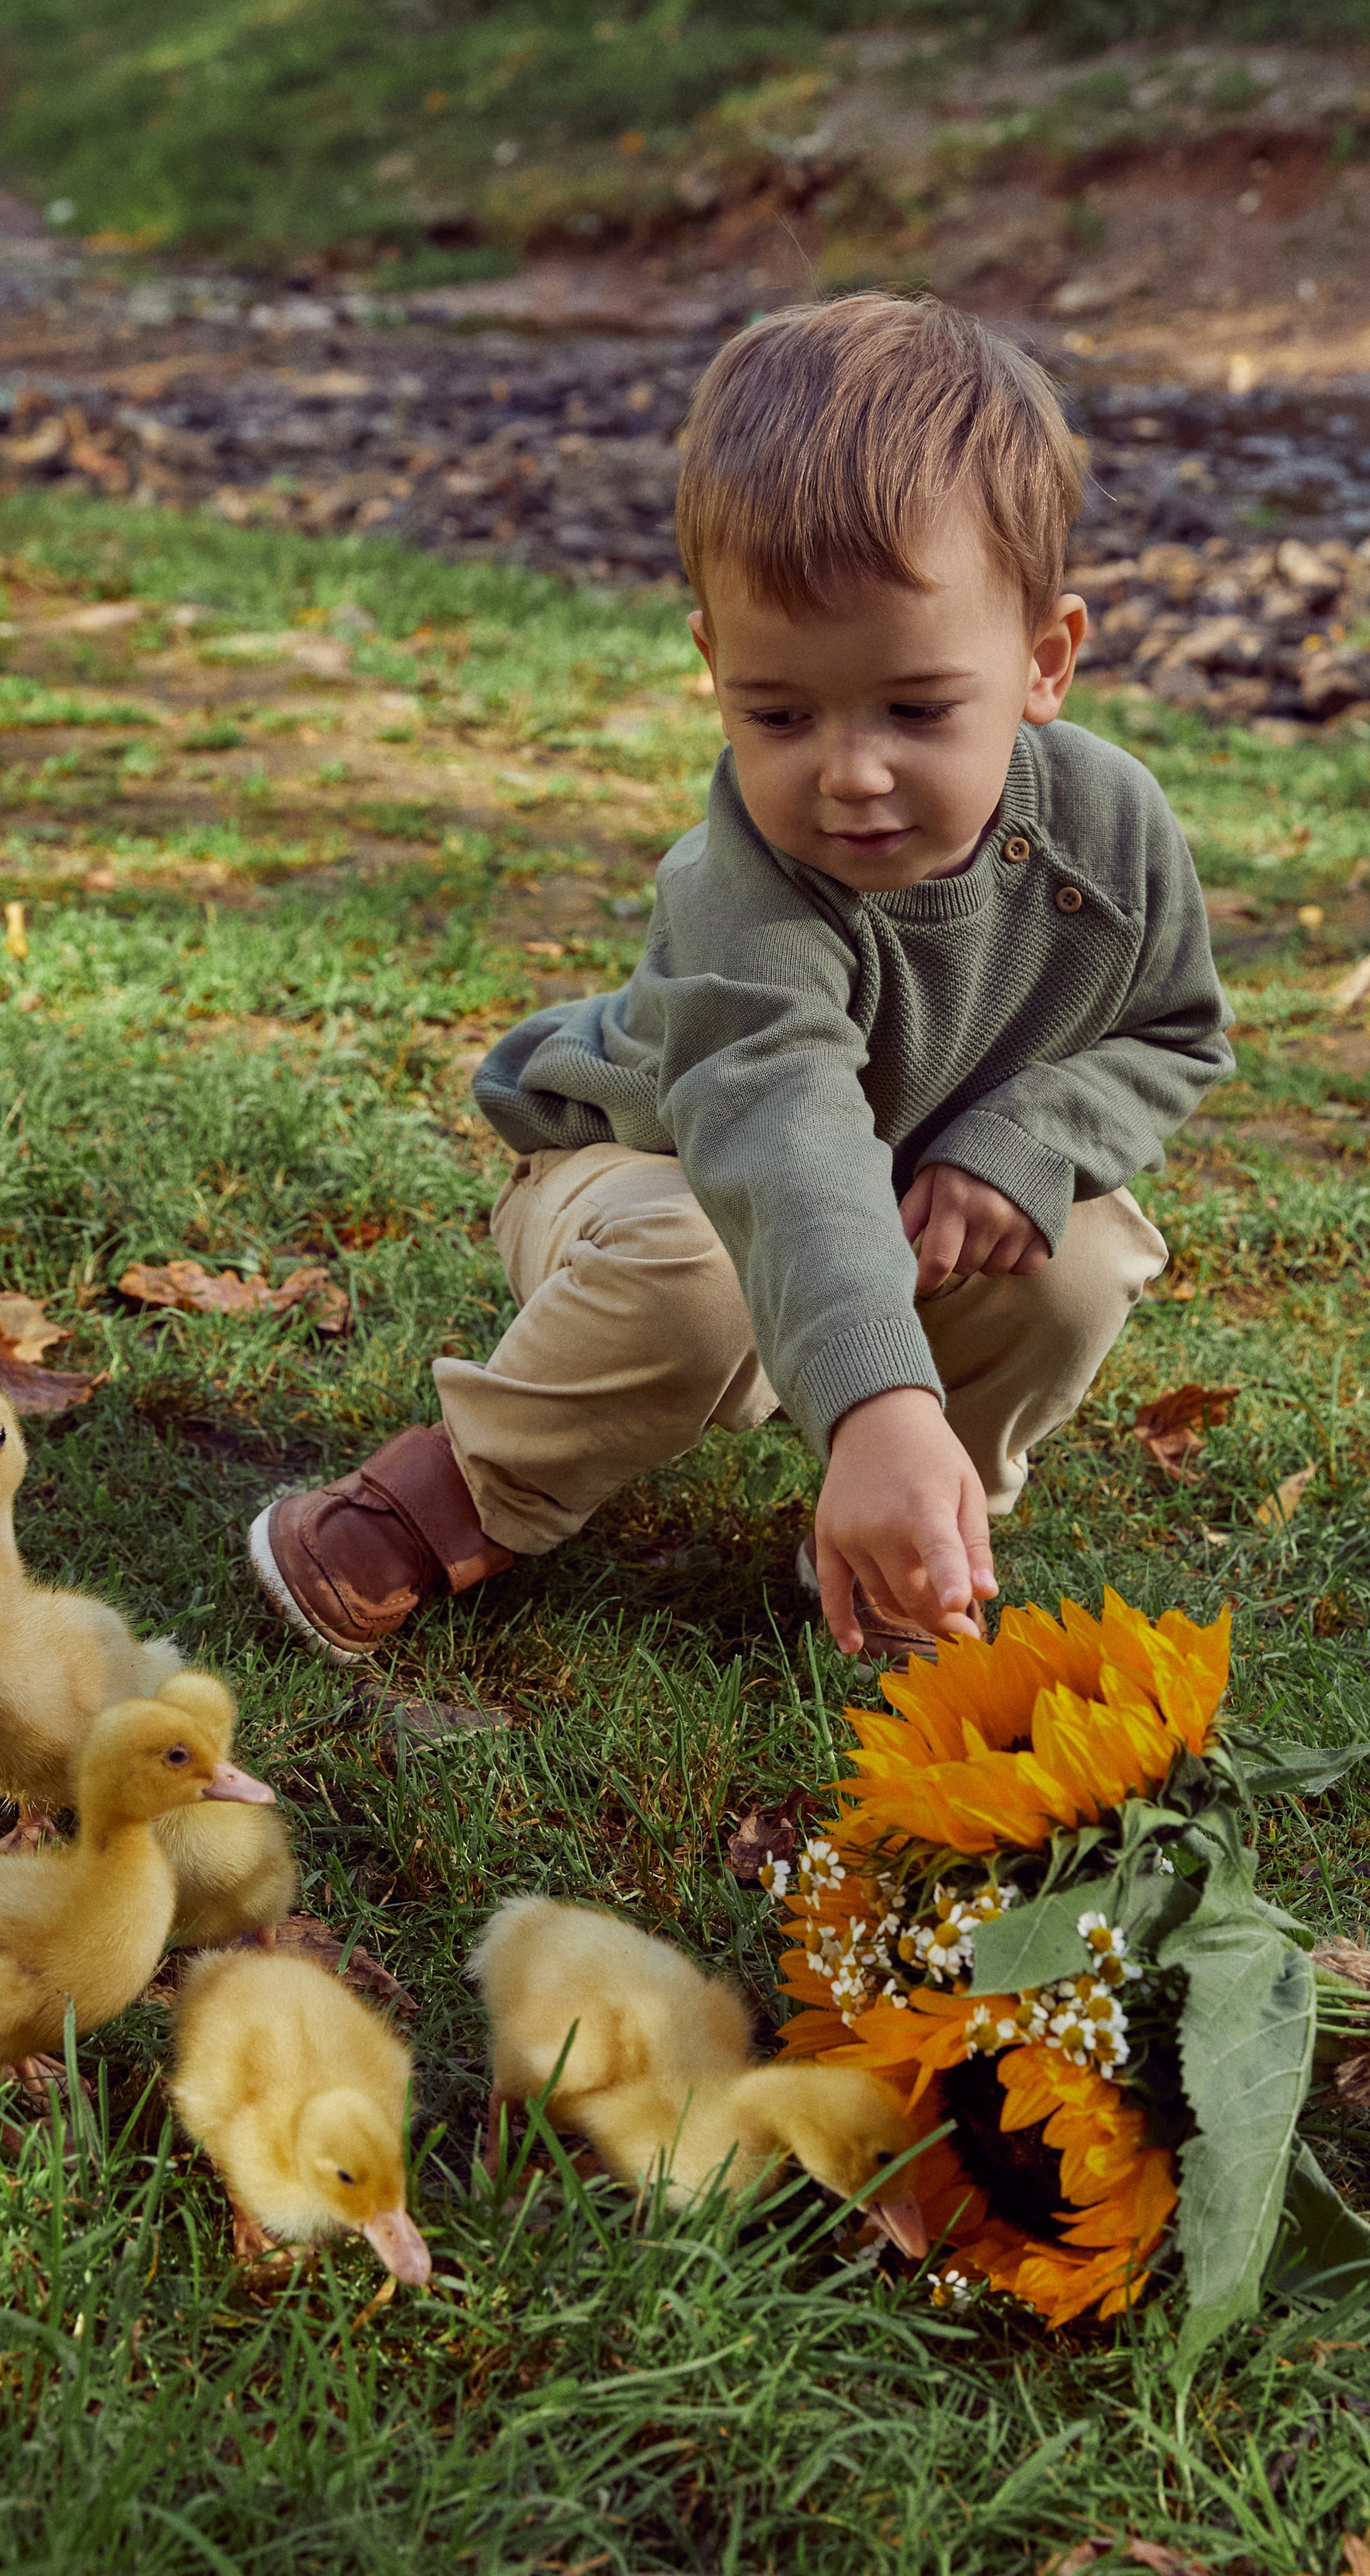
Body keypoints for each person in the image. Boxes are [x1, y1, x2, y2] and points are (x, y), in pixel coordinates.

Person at [249, 293, 1233, 1668]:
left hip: (901, 1209)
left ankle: (917, 1531)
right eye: (779, 714)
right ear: (714, 665)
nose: (851, 772)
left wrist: (1029, 1139)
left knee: (1087, 1252)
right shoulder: (742, 884)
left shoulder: (1113, 831)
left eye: (917, 709)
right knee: (703, 1277)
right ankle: (462, 1495)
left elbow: (1174, 1033)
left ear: (1044, 662)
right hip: (653, 1179)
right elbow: (779, 1134)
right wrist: (874, 1397)